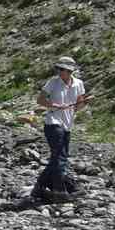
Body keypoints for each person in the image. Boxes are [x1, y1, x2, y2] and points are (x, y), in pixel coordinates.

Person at [31, 56, 90, 202]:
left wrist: (85, 102)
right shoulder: (53, 82)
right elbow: (40, 100)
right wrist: (54, 105)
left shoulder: (79, 84)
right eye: (58, 68)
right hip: (53, 122)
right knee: (60, 156)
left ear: (70, 70)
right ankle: (59, 189)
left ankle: (40, 186)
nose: (59, 71)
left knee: (58, 157)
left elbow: (78, 107)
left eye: (62, 69)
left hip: (67, 124)